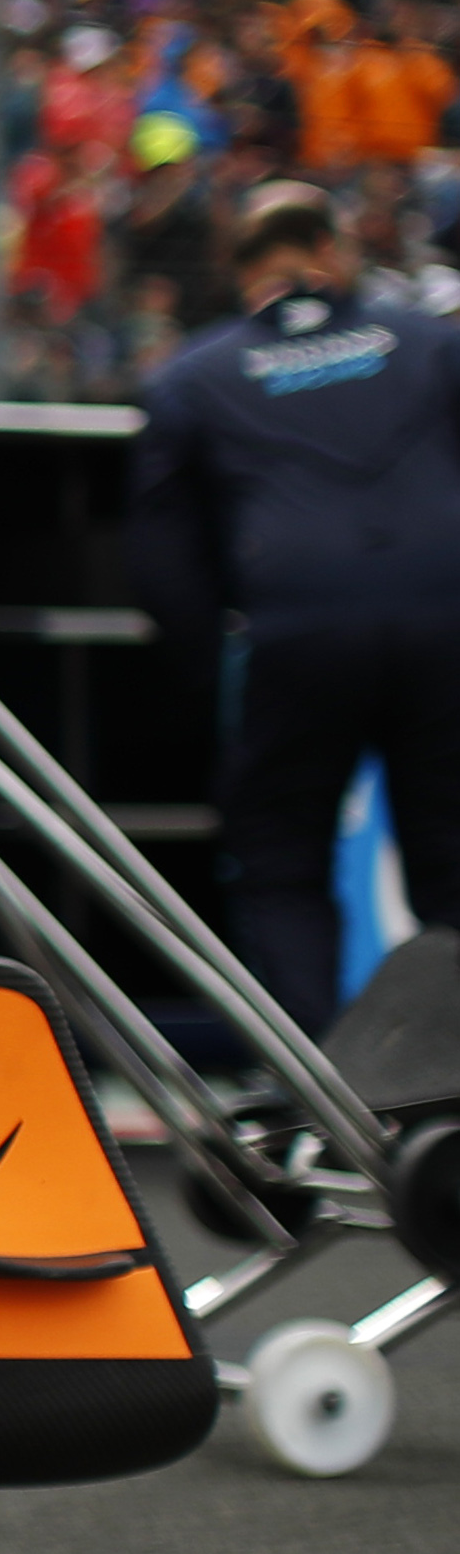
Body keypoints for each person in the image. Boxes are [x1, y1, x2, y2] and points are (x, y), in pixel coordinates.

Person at [124, 180, 460, 1027]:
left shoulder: (192, 376)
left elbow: (161, 562)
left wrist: (214, 679)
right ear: (332, 255)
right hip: (443, 624)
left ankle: (319, 1095)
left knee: (279, 858)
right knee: (453, 863)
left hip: (294, 637)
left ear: (243, 272)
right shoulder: (430, 344)